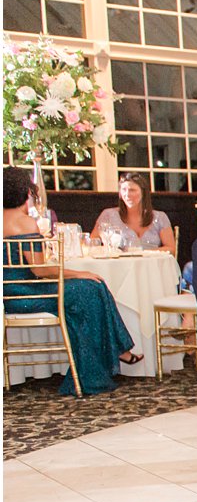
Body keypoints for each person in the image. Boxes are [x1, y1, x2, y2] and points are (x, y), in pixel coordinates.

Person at [3, 167, 139, 394]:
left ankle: (115, 351)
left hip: (8, 295)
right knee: (91, 288)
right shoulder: (25, 222)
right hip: (29, 292)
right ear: (26, 192)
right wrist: (79, 273)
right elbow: (40, 270)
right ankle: (100, 365)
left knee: (91, 288)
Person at [91, 173, 173, 251]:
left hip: (152, 264)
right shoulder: (108, 215)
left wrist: (146, 254)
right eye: (124, 190)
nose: (127, 194)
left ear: (143, 193)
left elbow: (171, 248)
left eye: (132, 190)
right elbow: (92, 244)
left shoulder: (160, 217)